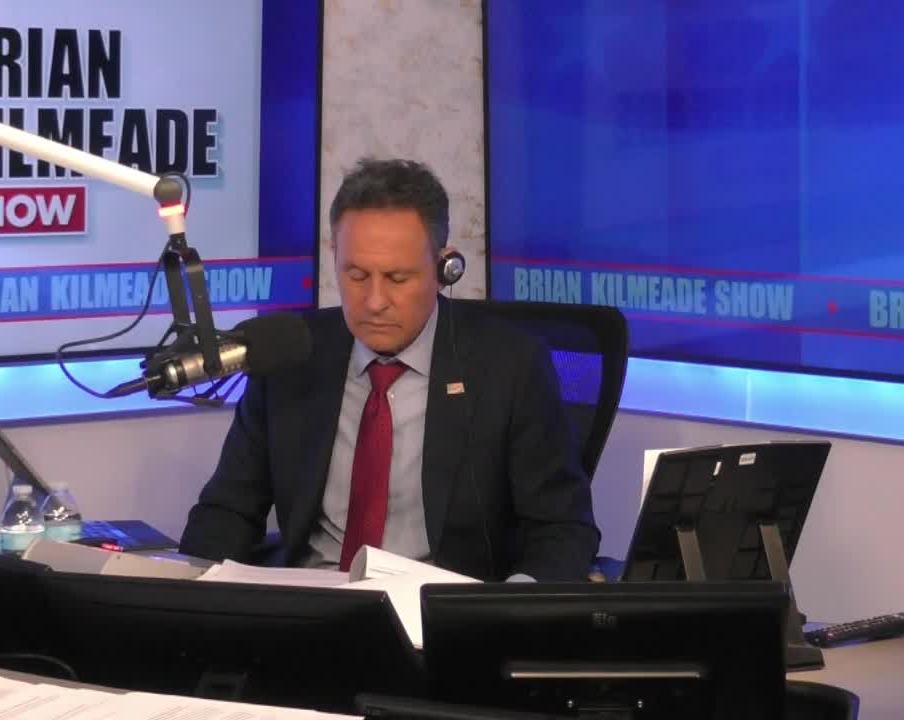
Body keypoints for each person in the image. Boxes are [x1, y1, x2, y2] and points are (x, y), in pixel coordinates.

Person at [179, 158, 598, 581]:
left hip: (442, 620)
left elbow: (562, 528)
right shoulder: (291, 353)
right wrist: (199, 594)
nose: (374, 301)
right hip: (310, 611)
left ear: (444, 268)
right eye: (357, 274)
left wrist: (509, 609)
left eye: (398, 278)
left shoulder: (509, 365)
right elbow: (227, 511)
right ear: (334, 255)